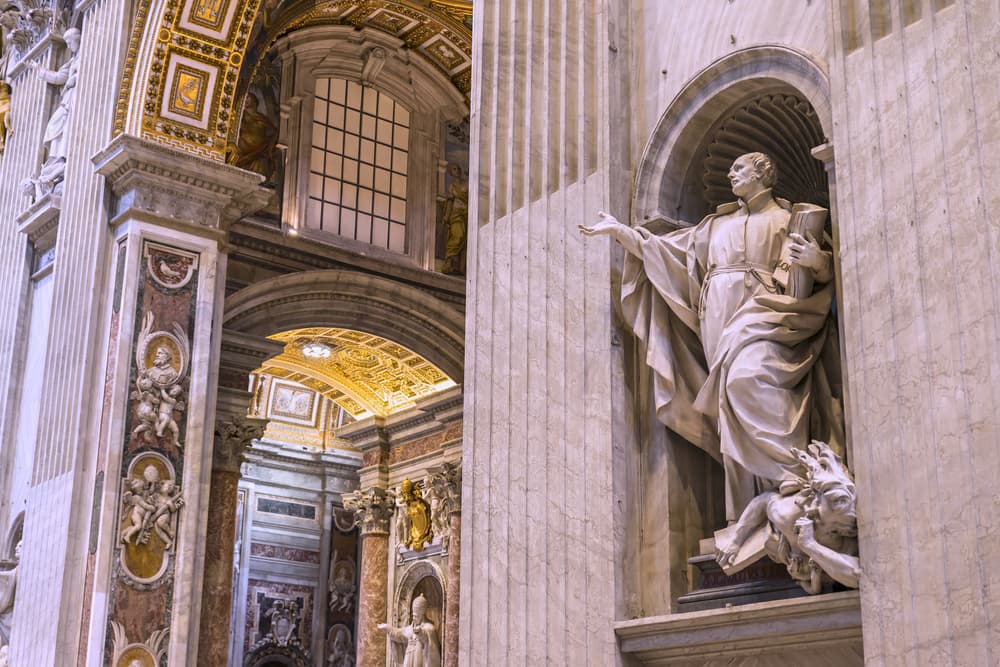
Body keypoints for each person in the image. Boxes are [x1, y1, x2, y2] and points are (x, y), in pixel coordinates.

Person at [579, 152, 844, 523]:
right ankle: (748, 514)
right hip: (717, 312)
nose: (730, 173)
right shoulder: (714, 226)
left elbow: (815, 274)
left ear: (763, 173)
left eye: (739, 168)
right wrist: (622, 233)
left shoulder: (786, 219)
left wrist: (818, 261)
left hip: (766, 310)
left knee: (749, 379)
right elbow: (667, 252)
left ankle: (794, 477)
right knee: (727, 405)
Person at [378, 594, 440, 667]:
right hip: (409, 656)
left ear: (422, 615)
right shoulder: (411, 628)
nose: (414, 618)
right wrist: (388, 628)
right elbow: (399, 634)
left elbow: (426, 635)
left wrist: (419, 632)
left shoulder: (429, 627)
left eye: (416, 616)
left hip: (419, 657)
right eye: (413, 615)